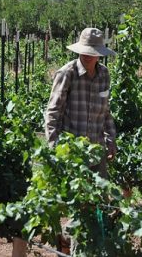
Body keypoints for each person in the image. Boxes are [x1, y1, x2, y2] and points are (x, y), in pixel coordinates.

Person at [44, 27, 117, 253]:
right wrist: (54, 147)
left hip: (97, 149)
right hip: (72, 153)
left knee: (98, 202)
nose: (87, 56)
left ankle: (70, 240)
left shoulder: (104, 74)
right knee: (80, 205)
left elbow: (106, 112)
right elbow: (53, 112)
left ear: (99, 54)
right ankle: (73, 244)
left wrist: (111, 140)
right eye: (85, 51)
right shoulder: (67, 73)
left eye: (92, 52)